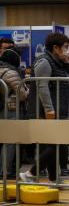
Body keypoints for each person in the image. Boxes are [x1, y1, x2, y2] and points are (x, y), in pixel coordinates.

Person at [20, 32, 69, 186]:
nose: (67, 50)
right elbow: (42, 86)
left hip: (60, 109)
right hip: (50, 111)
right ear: (55, 48)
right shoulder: (45, 62)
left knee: (54, 144)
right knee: (56, 144)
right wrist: (49, 109)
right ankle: (31, 173)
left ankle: (52, 179)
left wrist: (67, 62)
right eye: (65, 47)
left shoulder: (59, 62)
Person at [0, 46, 30, 176]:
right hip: (11, 109)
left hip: (1, 109)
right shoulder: (11, 72)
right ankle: (5, 171)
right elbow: (22, 95)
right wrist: (29, 90)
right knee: (10, 142)